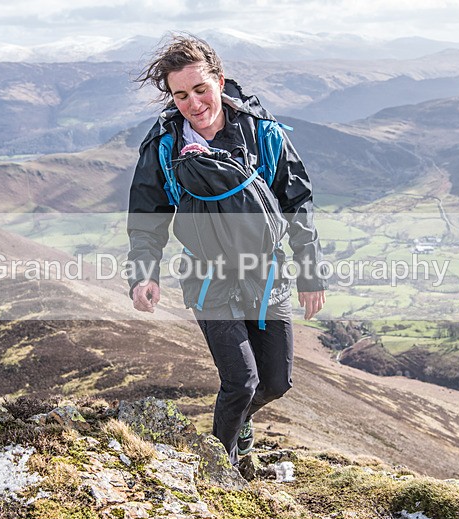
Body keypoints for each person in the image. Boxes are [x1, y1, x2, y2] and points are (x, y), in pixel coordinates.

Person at [127, 34, 326, 466]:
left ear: (219, 80)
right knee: (241, 380)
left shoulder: (262, 133)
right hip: (207, 279)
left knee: (275, 382)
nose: (193, 103)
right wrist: (144, 274)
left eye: (200, 89)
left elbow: (296, 204)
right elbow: (148, 217)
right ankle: (223, 464)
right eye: (180, 95)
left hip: (265, 272)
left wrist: (311, 272)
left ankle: (239, 428)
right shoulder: (165, 146)